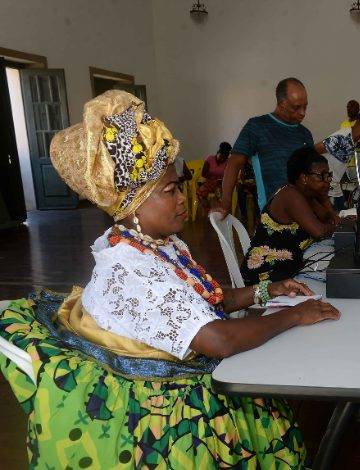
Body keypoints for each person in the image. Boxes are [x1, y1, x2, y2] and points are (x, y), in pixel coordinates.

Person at [0, 90, 341, 468]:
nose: (182, 199)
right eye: (170, 191)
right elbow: (217, 340)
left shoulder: (152, 242)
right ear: (132, 206)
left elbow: (205, 297)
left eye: (179, 186)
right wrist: (294, 314)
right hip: (163, 411)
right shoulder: (131, 268)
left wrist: (267, 290)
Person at [214, 77, 313, 215]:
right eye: (296, 107)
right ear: (281, 103)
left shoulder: (305, 134)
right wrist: (225, 202)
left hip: (305, 212)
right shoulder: (257, 127)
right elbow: (234, 163)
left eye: (305, 106)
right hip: (274, 216)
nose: (303, 113)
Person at [242, 146, 340, 285]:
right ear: (304, 178)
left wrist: (324, 197)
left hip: (287, 269)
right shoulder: (290, 195)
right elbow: (320, 232)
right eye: (321, 176)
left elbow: (329, 217)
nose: (327, 180)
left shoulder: (307, 195)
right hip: (266, 276)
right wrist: (334, 223)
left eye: (328, 175)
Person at [315, 107, 360, 209]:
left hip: (335, 189)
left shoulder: (353, 140)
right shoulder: (342, 138)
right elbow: (312, 151)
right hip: (326, 191)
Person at [196, 141, 231, 210]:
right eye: (221, 156)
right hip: (209, 182)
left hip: (221, 184)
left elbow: (228, 175)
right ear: (218, 152)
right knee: (200, 193)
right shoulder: (210, 159)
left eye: (225, 158)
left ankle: (220, 214)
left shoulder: (228, 162)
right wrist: (213, 177)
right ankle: (209, 212)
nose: (222, 159)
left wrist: (219, 180)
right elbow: (204, 173)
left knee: (220, 195)